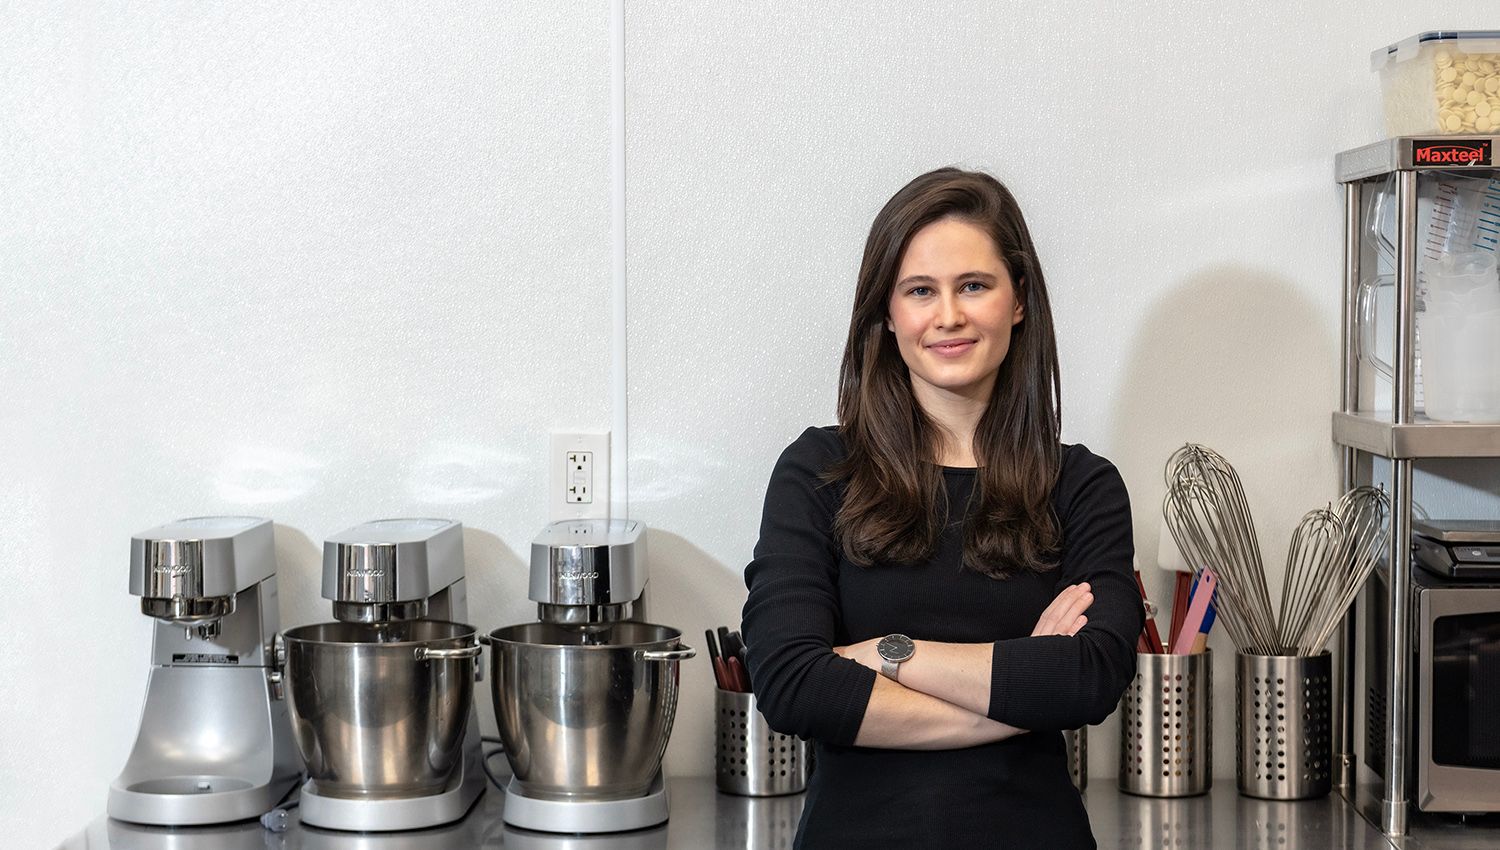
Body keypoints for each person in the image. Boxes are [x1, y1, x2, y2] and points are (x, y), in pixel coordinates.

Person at [741, 167, 1143, 849]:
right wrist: (1021, 692)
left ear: (1019, 301)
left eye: (975, 286)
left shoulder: (1081, 486)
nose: (949, 315)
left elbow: (1092, 675)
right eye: (920, 290)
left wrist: (886, 654)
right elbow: (791, 683)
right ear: (887, 312)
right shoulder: (819, 471)